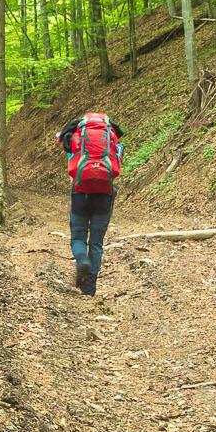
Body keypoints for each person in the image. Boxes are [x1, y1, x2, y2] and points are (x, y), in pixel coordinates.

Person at [57, 111, 123, 296]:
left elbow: (67, 152)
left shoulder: (75, 135)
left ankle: (82, 260)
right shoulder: (112, 136)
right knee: (96, 243)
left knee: (78, 237)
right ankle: (89, 287)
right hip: (104, 192)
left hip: (80, 191)